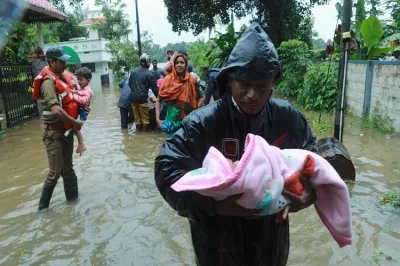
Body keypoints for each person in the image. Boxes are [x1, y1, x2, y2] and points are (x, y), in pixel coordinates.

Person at [154, 23, 317, 265]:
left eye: (262, 86)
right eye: (244, 84)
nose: (252, 94)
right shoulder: (203, 121)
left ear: (273, 83)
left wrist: (308, 193)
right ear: (230, 81)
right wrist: (215, 205)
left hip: (270, 236)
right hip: (216, 239)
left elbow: (315, 157)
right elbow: (166, 168)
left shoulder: (287, 117)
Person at [33, 47, 83, 211]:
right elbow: (56, 110)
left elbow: (71, 101)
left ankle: (73, 204)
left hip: (66, 131)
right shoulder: (47, 83)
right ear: (52, 62)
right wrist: (74, 122)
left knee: (68, 169)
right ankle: (42, 210)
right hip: (53, 133)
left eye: (64, 61)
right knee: (54, 174)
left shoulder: (62, 78)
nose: (64, 64)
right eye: (61, 61)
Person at [155, 52, 205, 137]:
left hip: (187, 121)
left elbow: (202, 97)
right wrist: (157, 119)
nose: (179, 65)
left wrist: (195, 109)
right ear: (173, 65)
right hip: (171, 121)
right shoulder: (168, 80)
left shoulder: (192, 79)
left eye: (182, 62)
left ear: (186, 64)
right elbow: (158, 100)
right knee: (171, 146)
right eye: (177, 62)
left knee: (186, 147)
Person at [129, 53, 158, 132]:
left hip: (133, 99)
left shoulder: (133, 71)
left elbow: (130, 84)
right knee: (145, 120)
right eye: (149, 62)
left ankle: (138, 134)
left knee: (137, 119)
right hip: (142, 99)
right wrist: (159, 99)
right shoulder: (149, 73)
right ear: (147, 63)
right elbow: (155, 88)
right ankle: (144, 135)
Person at [72, 67, 93, 156]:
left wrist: (74, 96)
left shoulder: (88, 90)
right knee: (74, 128)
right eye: (78, 80)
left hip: (83, 112)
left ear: (88, 81)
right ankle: (80, 145)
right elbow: (79, 92)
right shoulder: (83, 89)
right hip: (81, 111)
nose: (79, 82)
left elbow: (84, 100)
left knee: (76, 128)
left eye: (81, 80)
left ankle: (81, 144)